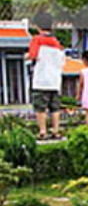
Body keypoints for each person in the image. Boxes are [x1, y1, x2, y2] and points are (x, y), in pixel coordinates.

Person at [27, 11, 64, 140]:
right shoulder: (56, 42)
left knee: (40, 108)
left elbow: (33, 55)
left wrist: (25, 57)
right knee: (55, 107)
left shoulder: (37, 39)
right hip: (55, 81)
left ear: (37, 26)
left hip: (41, 80)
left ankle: (43, 131)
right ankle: (56, 130)